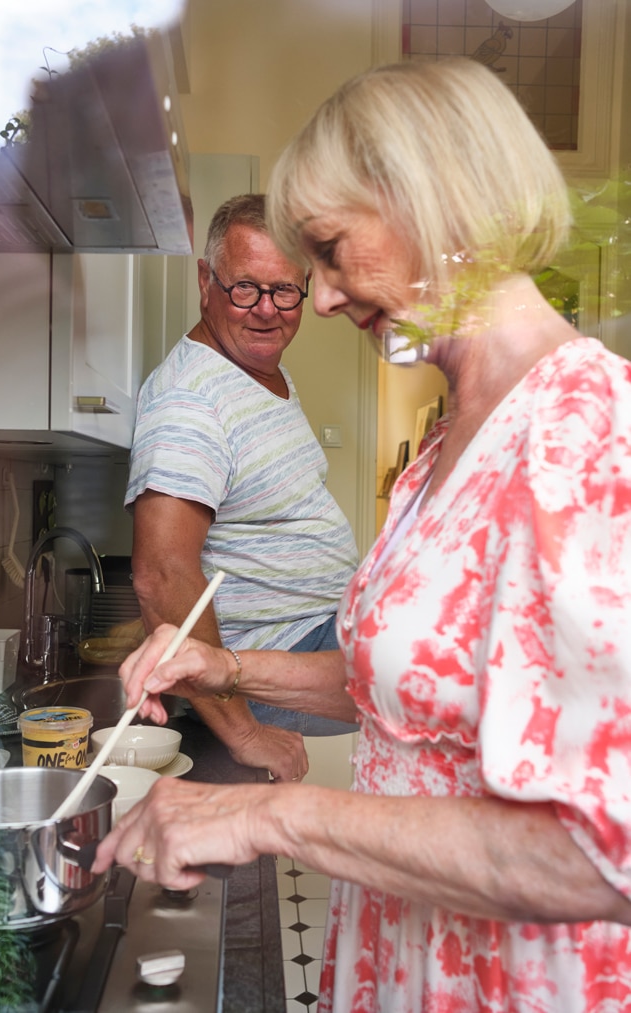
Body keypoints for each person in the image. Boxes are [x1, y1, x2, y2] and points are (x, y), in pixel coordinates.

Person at [94, 59, 631, 1011]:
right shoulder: (445, 445)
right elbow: (424, 686)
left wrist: (268, 813)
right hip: (407, 950)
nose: (325, 300)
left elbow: (598, 850)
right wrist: (230, 671)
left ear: (435, 204)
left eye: (331, 252)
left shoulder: (582, 433)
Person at [126, 193, 359, 782]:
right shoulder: (189, 401)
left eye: (284, 291)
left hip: (317, 629)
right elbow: (161, 575)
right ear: (206, 281)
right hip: (277, 660)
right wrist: (247, 733)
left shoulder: (258, 369)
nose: (266, 311)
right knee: (463, 665)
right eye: (245, 289)